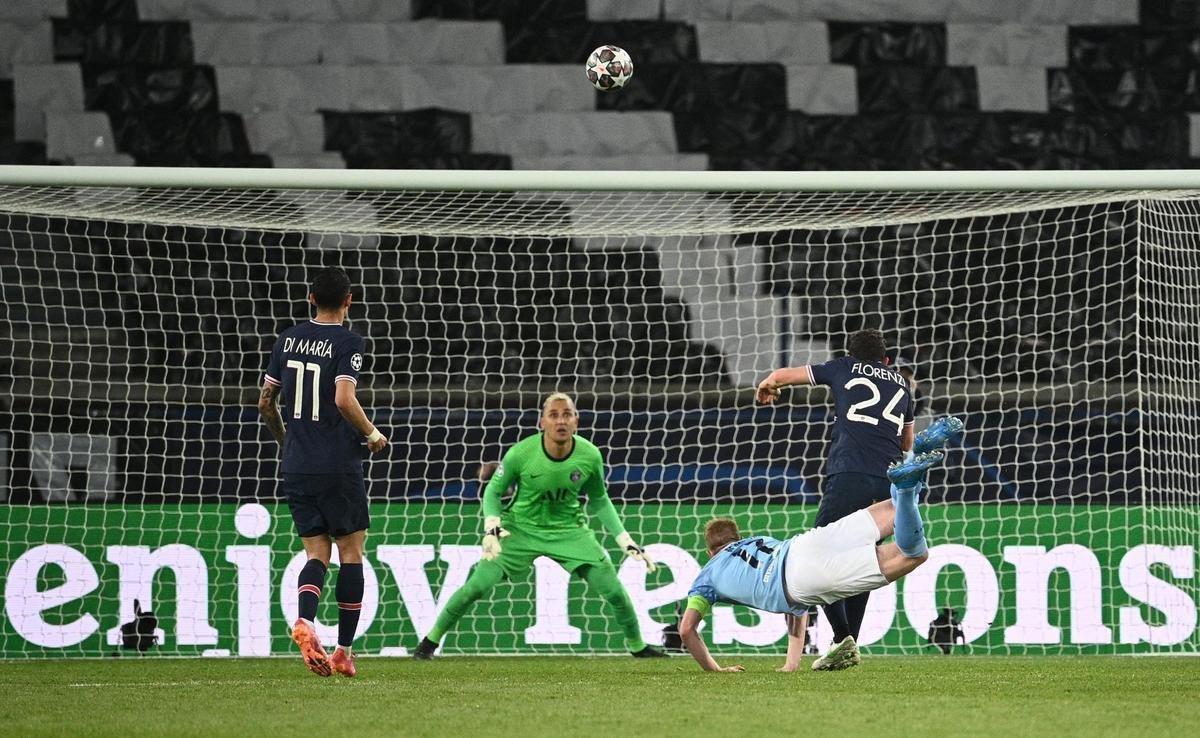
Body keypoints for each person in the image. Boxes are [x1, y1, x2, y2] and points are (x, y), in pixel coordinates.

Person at [756, 328, 962, 669]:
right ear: (886, 360)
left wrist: (769, 384)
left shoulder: (842, 367)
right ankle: (848, 642)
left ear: (852, 354)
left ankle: (842, 638)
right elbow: (907, 445)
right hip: (885, 481)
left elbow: (782, 375)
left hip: (848, 473)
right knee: (863, 559)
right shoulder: (902, 385)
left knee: (814, 557)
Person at [413, 392, 667, 659]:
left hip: (569, 531)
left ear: (576, 421)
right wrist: (492, 526)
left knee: (615, 591)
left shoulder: (590, 455)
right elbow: (493, 492)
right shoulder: (520, 454)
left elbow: (600, 499)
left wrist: (624, 539)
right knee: (476, 587)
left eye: (567, 414)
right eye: (554, 415)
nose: (561, 421)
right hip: (519, 529)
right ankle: (429, 642)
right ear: (542, 422)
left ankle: (638, 646)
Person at [679, 448, 946, 672]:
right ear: (738, 538)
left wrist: (715, 670)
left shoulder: (708, 574)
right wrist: (790, 665)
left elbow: (686, 629)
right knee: (894, 506)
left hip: (800, 581)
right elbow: (796, 611)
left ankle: (909, 486)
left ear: (710, 552)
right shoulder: (756, 541)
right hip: (803, 544)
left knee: (913, 555)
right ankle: (910, 473)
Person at [258, 266, 388, 678]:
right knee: (351, 553)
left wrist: (287, 444)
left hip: (297, 466)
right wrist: (372, 434)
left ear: (311, 298)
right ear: (349, 301)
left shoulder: (287, 339)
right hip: (337, 464)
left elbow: (265, 403)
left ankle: (305, 621)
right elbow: (344, 398)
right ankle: (344, 652)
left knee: (316, 554)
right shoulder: (349, 341)